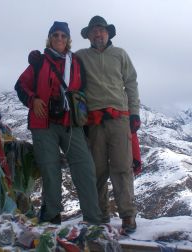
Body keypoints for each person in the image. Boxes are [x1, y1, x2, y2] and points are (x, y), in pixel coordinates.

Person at [15, 21, 101, 225]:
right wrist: (33, 100)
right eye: (56, 35)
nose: (59, 39)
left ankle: (93, 218)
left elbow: (83, 91)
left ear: (68, 39)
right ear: (50, 38)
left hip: (71, 123)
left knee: (85, 168)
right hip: (43, 125)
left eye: (63, 35)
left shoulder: (77, 63)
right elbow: (21, 86)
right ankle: (51, 216)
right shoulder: (39, 62)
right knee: (50, 170)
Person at [76, 15, 140, 233]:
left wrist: (134, 113)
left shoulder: (120, 54)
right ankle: (99, 215)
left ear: (108, 33)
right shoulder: (80, 57)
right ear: (89, 36)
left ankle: (128, 216)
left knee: (122, 168)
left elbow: (131, 83)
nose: (98, 33)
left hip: (120, 118)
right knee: (97, 170)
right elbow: (62, 65)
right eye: (94, 30)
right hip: (94, 122)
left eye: (101, 30)